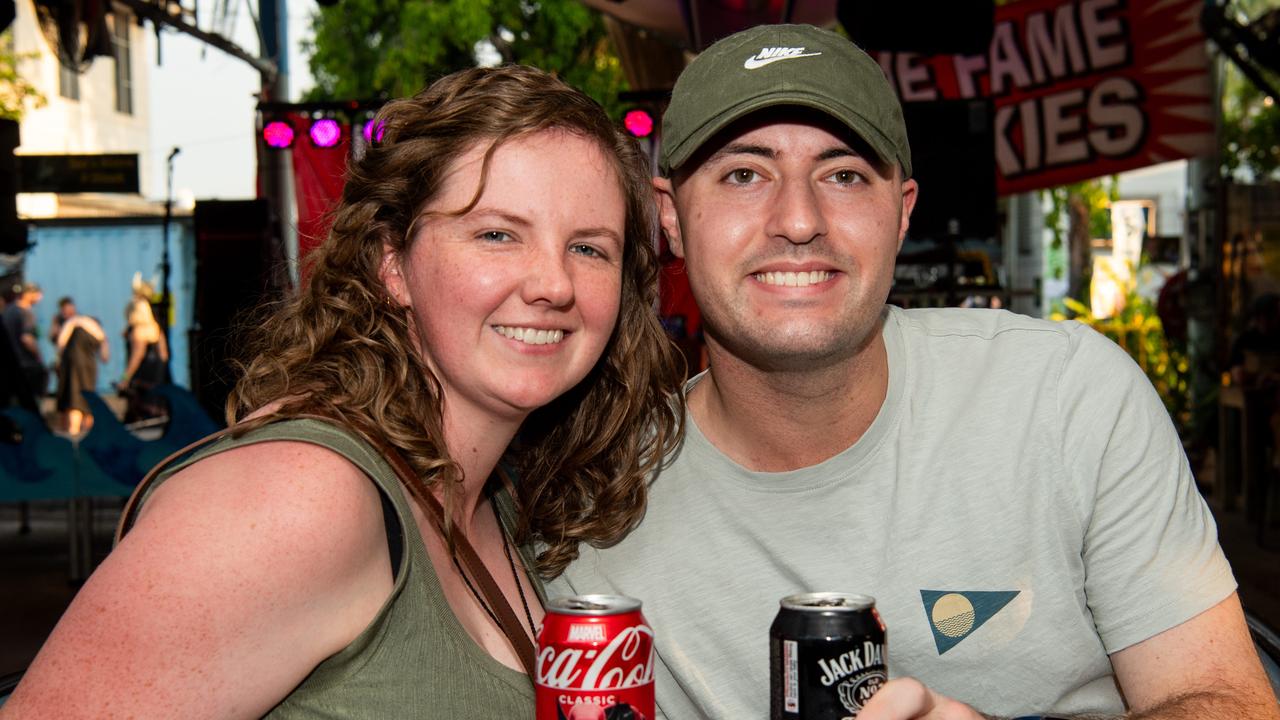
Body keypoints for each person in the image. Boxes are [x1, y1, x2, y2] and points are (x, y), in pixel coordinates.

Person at [552, 24, 1280, 720]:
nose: (799, 219)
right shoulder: (595, 503)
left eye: (843, 174)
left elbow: (1235, 702)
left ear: (901, 214)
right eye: (744, 174)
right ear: (670, 216)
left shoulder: (1066, 399)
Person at [2, 65, 684, 717]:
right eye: (498, 234)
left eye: (590, 248)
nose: (553, 284)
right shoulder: (302, 495)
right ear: (393, 264)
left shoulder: (494, 500)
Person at [119, 285, 170, 422]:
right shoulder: (156, 328)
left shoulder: (138, 331)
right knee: (155, 409)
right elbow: (164, 355)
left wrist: (125, 378)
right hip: (155, 377)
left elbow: (137, 356)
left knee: (140, 408)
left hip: (141, 377)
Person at [54, 310, 109, 434]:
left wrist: (59, 361)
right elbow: (105, 357)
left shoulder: (73, 322)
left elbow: (61, 343)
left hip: (71, 364)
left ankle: (73, 429)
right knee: (88, 393)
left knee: (74, 396)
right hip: (90, 365)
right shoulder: (99, 332)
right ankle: (88, 429)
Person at [2, 281, 47, 401]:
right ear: (28, 294)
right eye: (38, 294)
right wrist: (39, 356)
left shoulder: (8, 311)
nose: (40, 297)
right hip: (27, 366)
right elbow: (27, 339)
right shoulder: (25, 312)